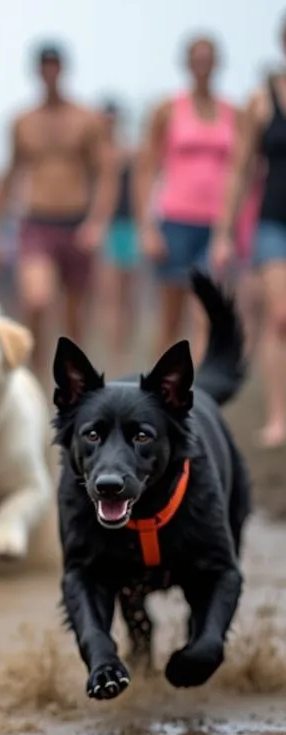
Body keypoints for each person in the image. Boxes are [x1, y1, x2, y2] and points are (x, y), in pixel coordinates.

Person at [0, 44, 116, 372]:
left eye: (55, 66)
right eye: (44, 66)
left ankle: (75, 388)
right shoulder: (23, 121)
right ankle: (33, 377)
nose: (50, 72)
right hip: (36, 221)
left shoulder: (86, 119)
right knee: (36, 299)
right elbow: (10, 172)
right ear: (37, 71)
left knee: (74, 317)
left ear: (63, 69)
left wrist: (97, 222)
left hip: (76, 221)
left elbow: (106, 174)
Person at [137, 35, 238, 362]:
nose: (203, 66)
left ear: (217, 63)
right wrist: (148, 228)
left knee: (206, 314)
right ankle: (158, 394)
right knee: (170, 316)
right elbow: (146, 171)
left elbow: (240, 171)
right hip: (175, 220)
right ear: (187, 63)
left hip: (215, 223)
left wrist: (230, 230)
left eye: (208, 59)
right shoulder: (168, 110)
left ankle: (196, 395)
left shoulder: (231, 113)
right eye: (197, 59)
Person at [212, 19, 286, 447]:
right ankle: (278, 415)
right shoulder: (262, 100)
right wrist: (224, 232)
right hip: (274, 219)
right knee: (280, 317)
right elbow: (240, 170)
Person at [97, 100, 139, 371]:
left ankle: (124, 350)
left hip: (130, 226)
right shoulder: (96, 154)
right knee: (110, 295)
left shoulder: (131, 153)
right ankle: (112, 352)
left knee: (128, 296)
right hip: (107, 227)